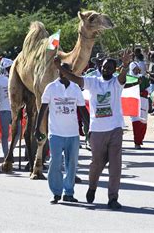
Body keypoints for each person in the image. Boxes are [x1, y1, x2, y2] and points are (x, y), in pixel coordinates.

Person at [53, 51, 132, 210]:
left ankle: (113, 198)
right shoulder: (93, 82)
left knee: (115, 165)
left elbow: (123, 77)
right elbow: (75, 79)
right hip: (97, 130)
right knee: (97, 163)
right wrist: (60, 68)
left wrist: (125, 65)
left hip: (115, 129)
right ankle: (92, 187)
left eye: (110, 68)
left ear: (114, 70)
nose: (106, 70)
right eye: (104, 67)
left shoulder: (116, 83)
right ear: (100, 68)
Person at [35, 62, 89, 204]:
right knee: (55, 163)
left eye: (67, 70)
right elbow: (43, 109)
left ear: (71, 72)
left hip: (72, 134)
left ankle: (69, 192)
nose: (64, 73)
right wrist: (37, 128)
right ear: (58, 71)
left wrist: (89, 128)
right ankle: (56, 192)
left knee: (72, 164)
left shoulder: (75, 88)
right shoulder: (51, 88)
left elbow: (83, 110)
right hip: (56, 134)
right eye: (62, 70)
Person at [129, 62, 150, 149]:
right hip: (134, 103)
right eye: (135, 69)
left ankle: (140, 139)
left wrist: (142, 92)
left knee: (143, 122)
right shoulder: (128, 79)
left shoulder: (143, 78)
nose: (137, 71)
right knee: (136, 122)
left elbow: (148, 90)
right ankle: (136, 142)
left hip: (143, 102)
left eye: (137, 69)